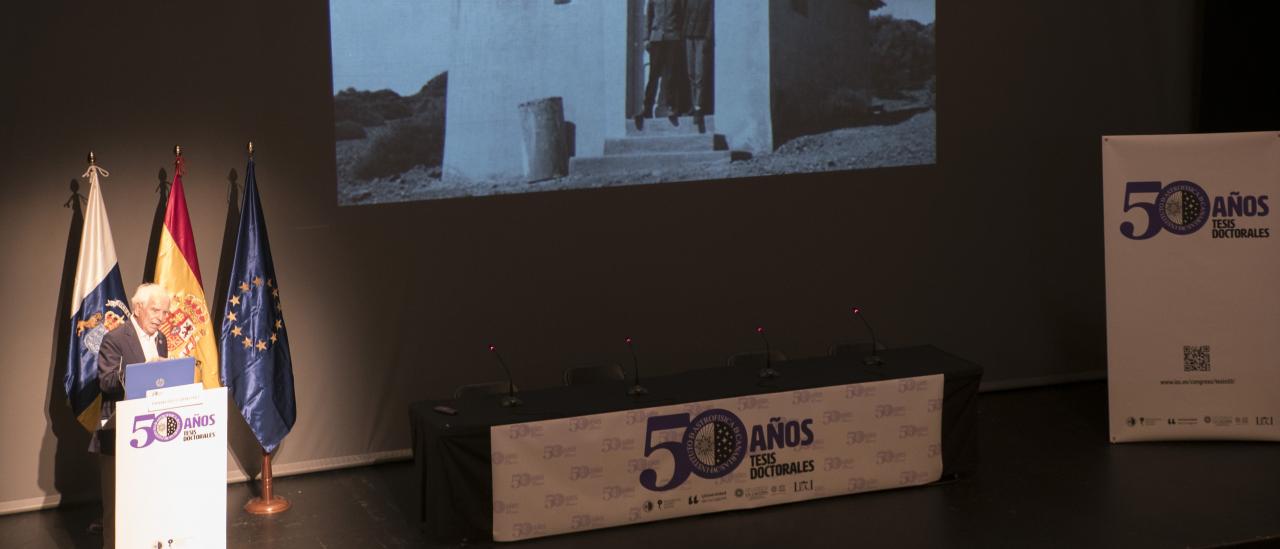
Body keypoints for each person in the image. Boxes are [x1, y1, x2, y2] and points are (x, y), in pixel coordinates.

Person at [93, 283, 170, 547]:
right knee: (117, 508)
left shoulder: (161, 340)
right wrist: (143, 371)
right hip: (119, 434)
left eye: (165, 312)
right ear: (138, 309)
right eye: (155, 310)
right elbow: (106, 381)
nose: (161, 317)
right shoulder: (115, 338)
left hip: (153, 432)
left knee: (148, 502)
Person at [634, 0, 684, 131]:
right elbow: (649, 16)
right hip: (656, 38)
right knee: (653, 75)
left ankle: (671, 107)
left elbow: (681, 16)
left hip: (672, 37)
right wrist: (646, 38)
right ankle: (647, 108)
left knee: (671, 74)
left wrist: (679, 35)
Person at [683, 0, 713, 130]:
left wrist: (708, 37)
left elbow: (711, 18)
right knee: (691, 73)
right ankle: (693, 103)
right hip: (689, 36)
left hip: (701, 37)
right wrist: (684, 34)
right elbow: (685, 16)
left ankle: (698, 107)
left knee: (699, 73)